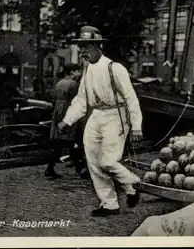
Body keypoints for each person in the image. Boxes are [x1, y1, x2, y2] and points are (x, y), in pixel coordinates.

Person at [57, 25, 143, 217]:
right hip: (96, 115)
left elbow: (130, 97)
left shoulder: (115, 68)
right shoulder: (88, 71)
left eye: (86, 48)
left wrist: (136, 127)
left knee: (108, 160)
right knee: (94, 161)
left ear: (98, 47)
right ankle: (109, 203)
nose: (82, 52)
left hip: (116, 115)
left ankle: (132, 182)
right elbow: (81, 99)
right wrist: (67, 120)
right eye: (81, 48)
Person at [45, 63, 84, 179]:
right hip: (67, 113)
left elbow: (54, 100)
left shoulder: (59, 83)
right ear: (72, 72)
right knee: (67, 142)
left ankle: (78, 168)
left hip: (58, 113)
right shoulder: (74, 84)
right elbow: (76, 102)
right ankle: (51, 168)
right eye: (77, 71)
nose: (79, 73)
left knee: (66, 142)